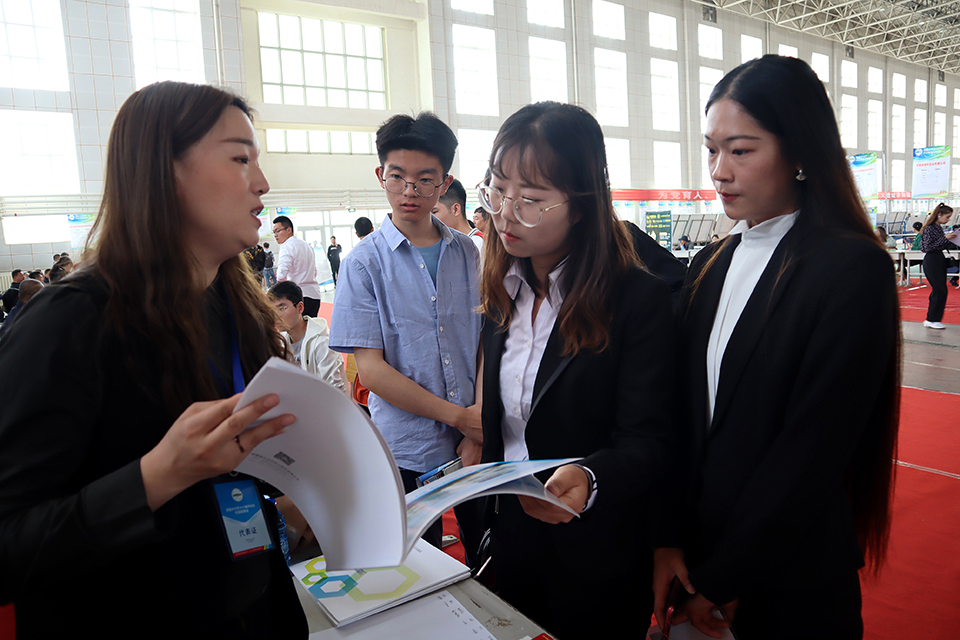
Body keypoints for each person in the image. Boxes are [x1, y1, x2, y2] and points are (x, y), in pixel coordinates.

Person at [0, 81, 306, 637]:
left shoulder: (233, 304)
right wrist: (157, 475)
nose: (262, 183)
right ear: (164, 172)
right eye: (240, 159)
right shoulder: (70, 321)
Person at [653, 55, 901, 640]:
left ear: (800, 153)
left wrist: (726, 577)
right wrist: (667, 540)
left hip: (789, 577)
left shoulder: (850, 268)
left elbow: (811, 451)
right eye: (711, 150)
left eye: (740, 150)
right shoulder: (710, 263)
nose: (719, 171)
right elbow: (678, 419)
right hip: (698, 562)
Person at [476, 102, 675, 638]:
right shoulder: (502, 290)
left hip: (597, 554)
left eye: (531, 199)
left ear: (583, 205)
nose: (505, 214)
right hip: (513, 537)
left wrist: (591, 478)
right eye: (497, 190)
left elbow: (651, 440)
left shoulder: (637, 300)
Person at [329, 112, 482, 552]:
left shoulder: (468, 252)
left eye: (425, 180)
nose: (410, 191)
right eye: (398, 177)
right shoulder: (363, 264)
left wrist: (477, 422)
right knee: (417, 562)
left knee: (486, 552)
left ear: (444, 183)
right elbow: (372, 372)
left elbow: (485, 341)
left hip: (476, 440)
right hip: (409, 450)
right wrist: (460, 419)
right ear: (381, 176)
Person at [269, 280, 345, 391]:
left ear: (300, 308)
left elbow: (336, 390)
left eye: (281, 309)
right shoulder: (281, 342)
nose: (276, 316)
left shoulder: (322, 343)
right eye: (272, 311)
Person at [272, 215, 322, 317]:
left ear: (289, 230)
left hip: (297, 296)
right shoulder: (307, 245)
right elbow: (314, 271)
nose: (275, 235)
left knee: (295, 326)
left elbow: (281, 275)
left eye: (278, 231)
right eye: (274, 232)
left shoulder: (287, 246)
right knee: (311, 325)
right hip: (314, 295)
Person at [920, 203, 957, 329]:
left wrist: (950, 239)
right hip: (932, 260)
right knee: (939, 289)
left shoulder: (938, 228)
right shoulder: (930, 229)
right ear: (939, 215)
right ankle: (932, 319)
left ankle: (933, 318)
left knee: (940, 290)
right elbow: (926, 247)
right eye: (947, 217)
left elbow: (939, 244)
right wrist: (945, 238)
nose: (948, 220)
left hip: (938, 259)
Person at [432, 178, 483, 251]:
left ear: (455, 209)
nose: (430, 218)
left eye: (434, 212)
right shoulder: (446, 244)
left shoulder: (480, 244)